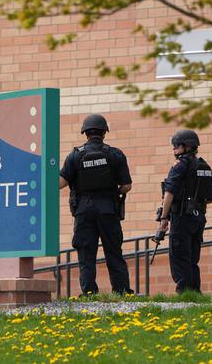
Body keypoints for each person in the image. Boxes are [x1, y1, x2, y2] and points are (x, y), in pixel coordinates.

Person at [59, 114, 133, 295]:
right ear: (104, 133)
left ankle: (89, 293)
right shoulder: (115, 154)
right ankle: (122, 291)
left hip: (84, 210)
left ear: (85, 133)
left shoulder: (75, 156)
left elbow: (59, 183)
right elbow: (126, 186)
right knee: (114, 252)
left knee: (86, 254)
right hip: (108, 208)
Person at [156, 129, 212, 294]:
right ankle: (195, 293)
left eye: (175, 146)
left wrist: (164, 218)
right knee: (192, 259)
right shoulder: (204, 165)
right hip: (199, 218)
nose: (173, 150)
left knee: (180, 258)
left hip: (182, 218)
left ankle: (184, 294)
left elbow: (169, 193)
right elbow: (209, 198)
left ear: (184, 146)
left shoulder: (180, 165)